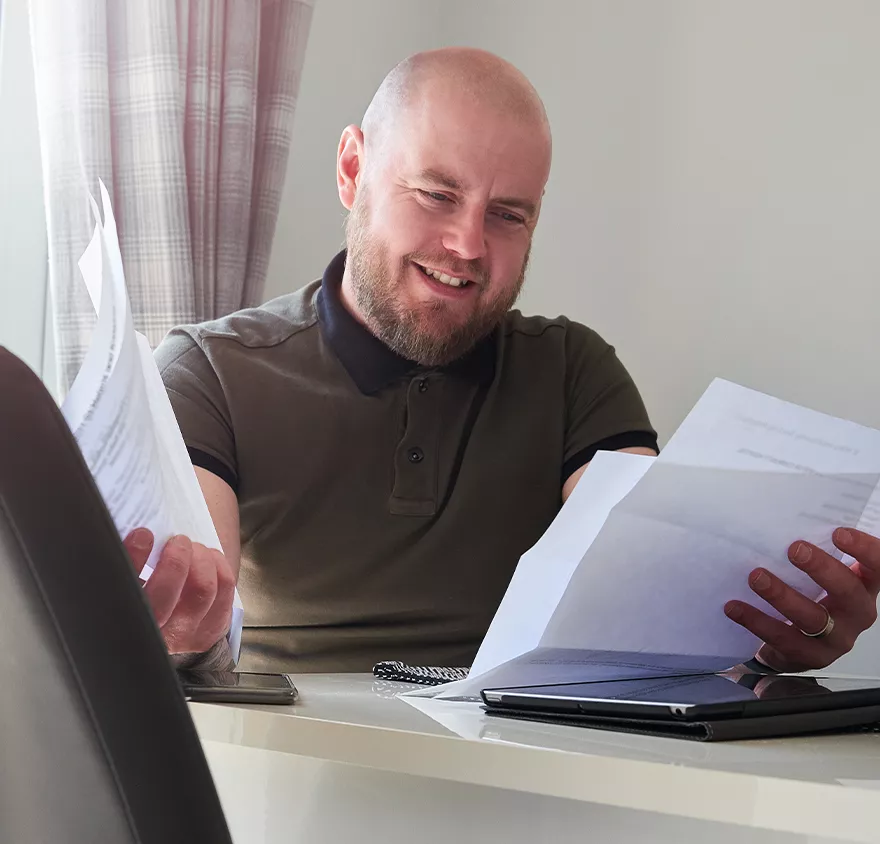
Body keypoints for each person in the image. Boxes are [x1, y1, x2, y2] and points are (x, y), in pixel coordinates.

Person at [134, 47, 879, 675]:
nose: (467, 245)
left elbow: (642, 597)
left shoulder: (572, 371)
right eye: (436, 193)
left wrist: (766, 634)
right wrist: (169, 628)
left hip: (522, 774)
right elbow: (201, 603)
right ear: (354, 169)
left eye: (508, 214)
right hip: (286, 778)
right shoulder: (211, 372)